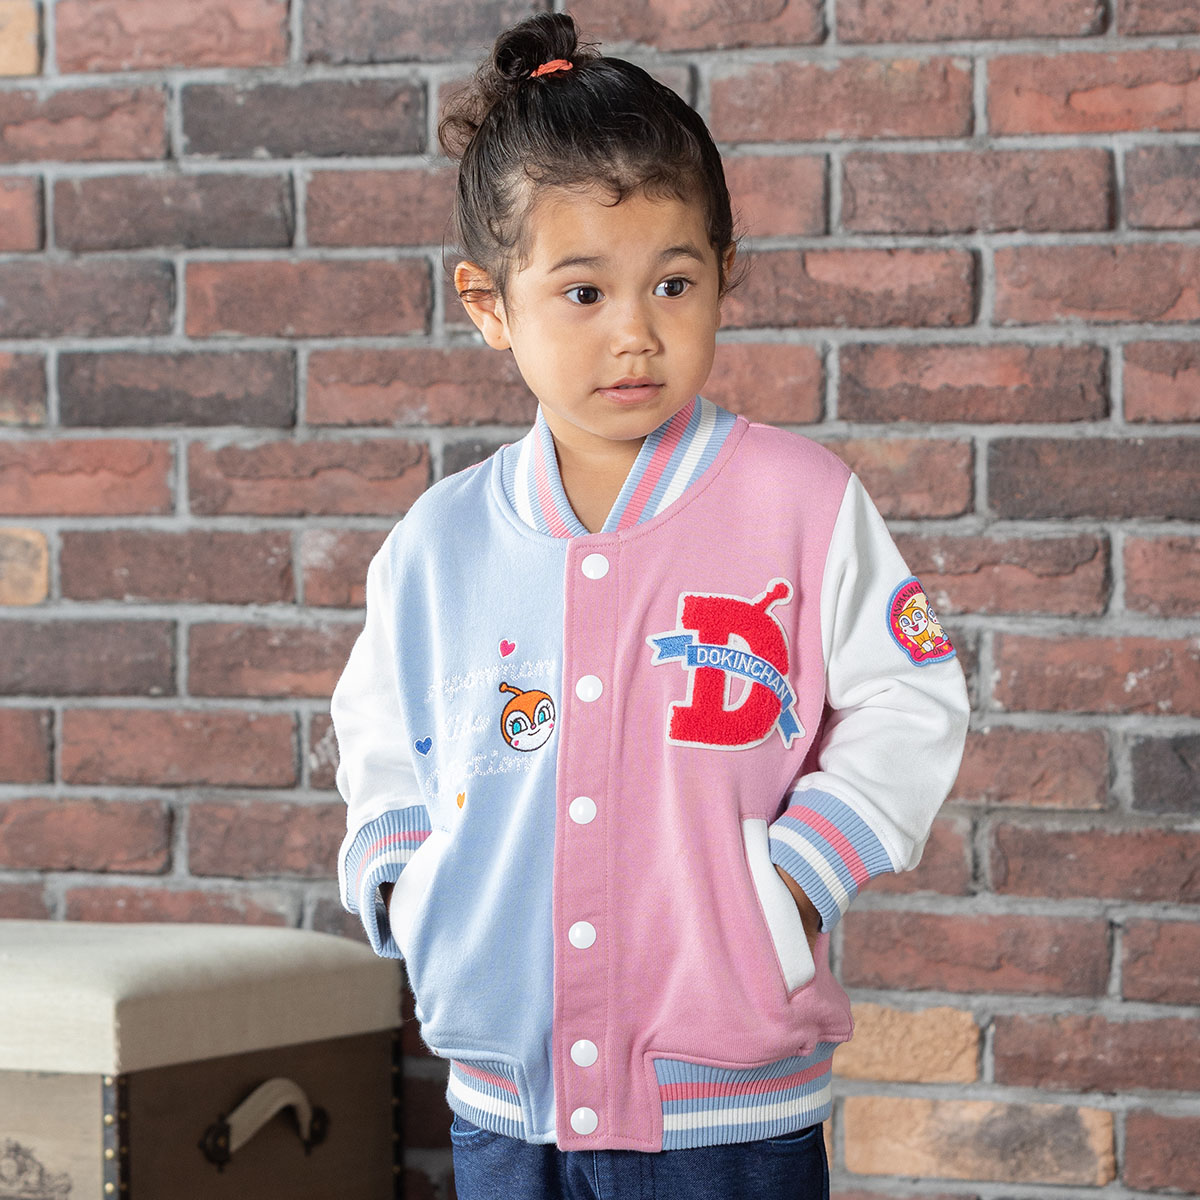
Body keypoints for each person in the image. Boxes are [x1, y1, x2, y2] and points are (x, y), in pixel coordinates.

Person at [331, 12, 970, 1199]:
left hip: (728, 1101)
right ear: (489, 305)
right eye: (582, 291)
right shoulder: (438, 544)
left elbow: (909, 696)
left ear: (726, 274)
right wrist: (411, 891)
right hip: (505, 1092)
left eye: (673, 283)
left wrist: (793, 882)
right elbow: (378, 737)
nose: (634, 333)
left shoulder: (800, 502)